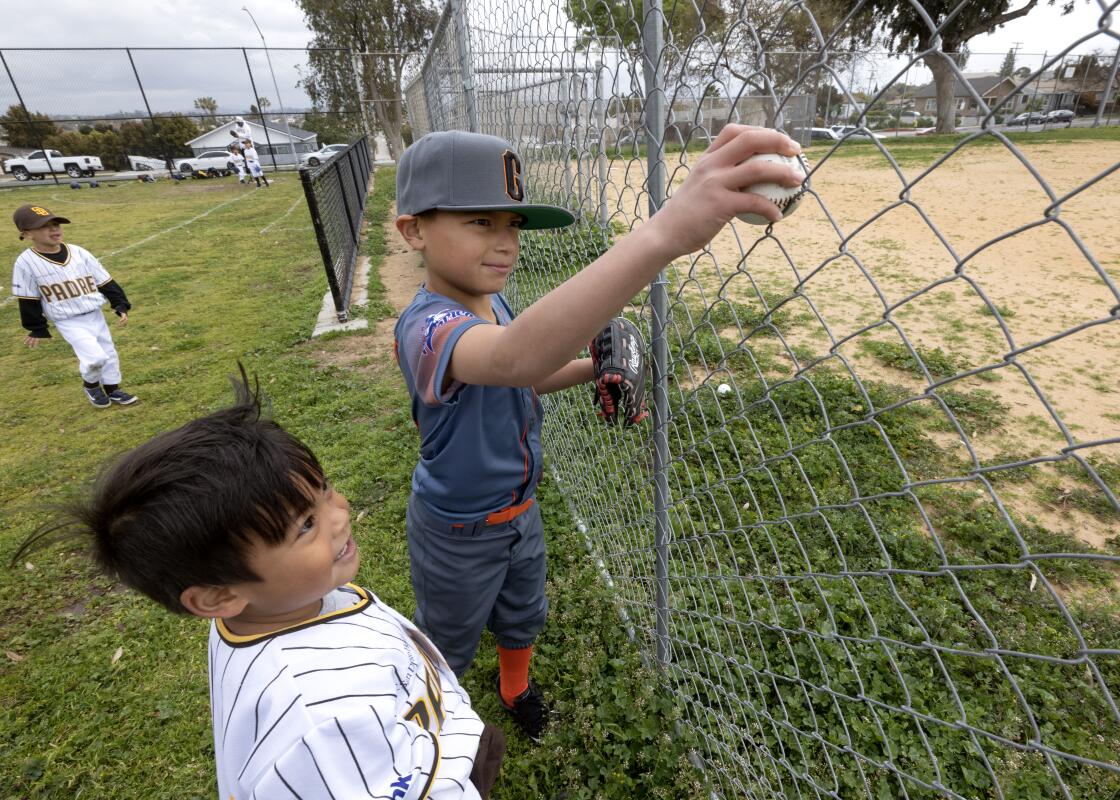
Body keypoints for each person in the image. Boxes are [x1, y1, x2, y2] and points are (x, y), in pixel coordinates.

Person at [392, 125, 804, 741]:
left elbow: (521, 380)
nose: (505, 243)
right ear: (414, 230)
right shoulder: (426, 329)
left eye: (513, 225)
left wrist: (593, 368)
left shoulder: (494, 306)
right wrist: (661, 235)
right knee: (446, 638)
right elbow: (511, 361)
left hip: (519, 511)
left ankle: (515, 689)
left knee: (523, 612)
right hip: (456, 528)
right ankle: (429, 738)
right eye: (480, 222)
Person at [15, 373, 505, 798]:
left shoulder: (272, 609)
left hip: (428, 734)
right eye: (305, 526)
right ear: (218, 596)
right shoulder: (318, 720)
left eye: (325, 489)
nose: (341, 513)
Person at [11, 204, 138, 408]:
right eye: (45, 226)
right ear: (27, 234)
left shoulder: (78, 252)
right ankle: (91, 385)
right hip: (68, 320)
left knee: (109, 353)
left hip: (94, 314)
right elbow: (28, 298)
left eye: (56, 224)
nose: (54, 229)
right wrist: (36, 327)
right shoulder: (26, 262)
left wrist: (120, 303)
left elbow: (104, 280)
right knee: (95, 357)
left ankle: (113, 390)